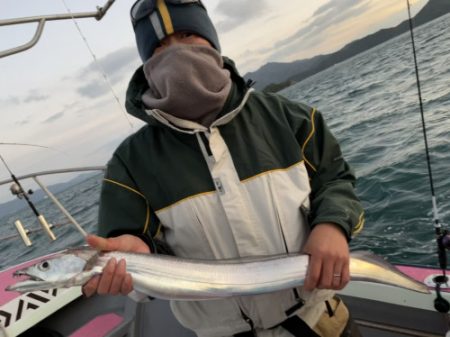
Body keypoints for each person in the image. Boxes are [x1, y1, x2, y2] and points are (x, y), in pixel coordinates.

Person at [83, 0, 365, 336]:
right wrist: (136, 262)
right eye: (159, 47)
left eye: (188, 34)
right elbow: (130, 245)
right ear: (147, 64)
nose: (176, 52)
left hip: (322, 320)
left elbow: (335, 179)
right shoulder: (130, 163)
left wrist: (333, 224)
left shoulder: (289, 118)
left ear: (212, 41)